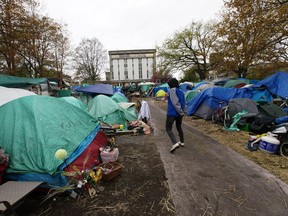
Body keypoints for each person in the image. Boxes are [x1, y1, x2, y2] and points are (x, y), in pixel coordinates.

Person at [165, 78, 187, 153]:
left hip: (172, 113)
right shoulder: (181, 91)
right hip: (179, 114)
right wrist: (183, 112)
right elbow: (184, 103)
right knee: (178, 126)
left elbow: (175, 103)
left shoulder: (172, 90)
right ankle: (182, 142)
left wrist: (180, 111)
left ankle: (175, 143)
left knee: (168, 128)